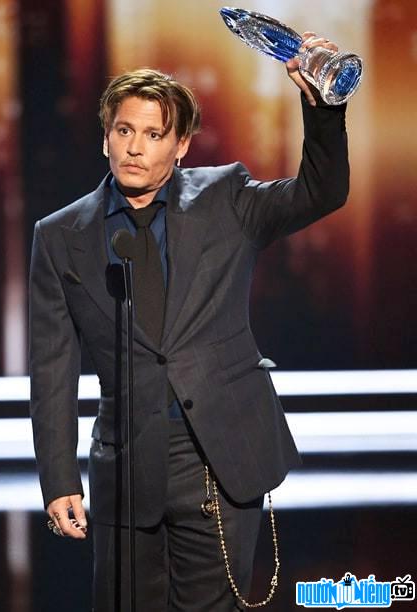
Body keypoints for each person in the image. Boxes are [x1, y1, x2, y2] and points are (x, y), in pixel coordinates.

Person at [29, 32, 349, 612]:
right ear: (105, 138)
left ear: (180, 145)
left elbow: (321, 192)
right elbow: (52, 367)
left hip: (217, 460)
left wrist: (324, 109)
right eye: (124, 130)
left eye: (154, 134)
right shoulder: (59, 236)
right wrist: (59, 479)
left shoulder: (226, 198)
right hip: (125, 465)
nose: (135, 147)